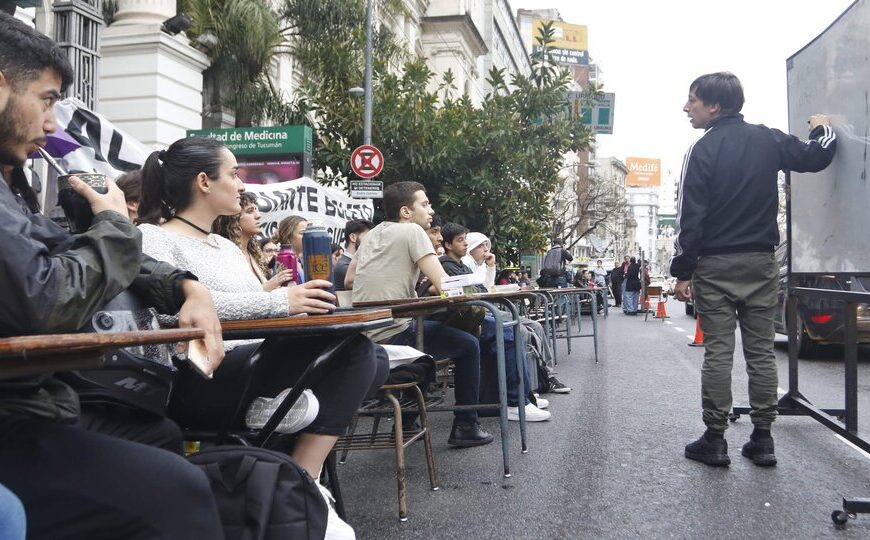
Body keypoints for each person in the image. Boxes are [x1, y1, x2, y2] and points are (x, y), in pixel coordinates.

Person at [0, 13, 225, 537]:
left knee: (160, 437)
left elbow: (59, 247)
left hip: (40, 396)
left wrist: (185, 285)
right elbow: (46, 299)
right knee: (176, 489)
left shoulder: (12, 190)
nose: (52, 125)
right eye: (47, 99)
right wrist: (112, 223)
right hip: (16, 410)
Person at [137, 135, 387, 538]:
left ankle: (294, 468)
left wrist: (296, 305)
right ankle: (304, 482)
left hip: (251, 361)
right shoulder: (153, 238)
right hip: (201, 375)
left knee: (372, 356)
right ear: (204, 181)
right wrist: (281, 303)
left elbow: (255, 304)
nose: (241, 184)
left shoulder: (225, 245)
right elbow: (171, 310)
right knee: (357, 352)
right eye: (234, 174)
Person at [671, 72, 836, 467]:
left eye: (692, 100)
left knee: (719, 354)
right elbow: (817, 155)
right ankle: (763, 440)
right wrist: (824, 127)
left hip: (715, 264)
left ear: (715, 106)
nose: (685, 107)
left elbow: (690, 218)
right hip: (761, 263)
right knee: (761, 353)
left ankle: (715, 439)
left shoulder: (702, 149)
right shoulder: (769, 139)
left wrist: (683, 270)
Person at [347, 182, 493, 447]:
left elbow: (349, 280)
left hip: (364, 336)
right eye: (424, 204)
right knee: (469, 344)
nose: (431, 210)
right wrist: (480, 288)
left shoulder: (371, 235)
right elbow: (446, 285)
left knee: (426, 335)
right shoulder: (412, 231)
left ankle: (407, 422)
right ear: (405, 211)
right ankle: (466, 426)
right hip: (393, 334)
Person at [439, 222, 550, 422]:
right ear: (447, 244)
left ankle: (525, 396)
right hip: (460, 320)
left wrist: (487, 272)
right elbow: (470, 292)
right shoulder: (446, 264)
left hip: (471, 316)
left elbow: (481, 289)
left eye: (466, 239)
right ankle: (516, 402)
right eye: (460, 240)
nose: (465, 244)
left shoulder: (460, 265)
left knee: (515, 329)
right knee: (508, 332)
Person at [213, 191, 292, 292]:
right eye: (250, 211)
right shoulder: (223, 254)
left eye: (256, 210)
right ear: (233, 218)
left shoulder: (255, 254)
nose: (258, 215)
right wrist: (269, 286)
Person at [333, 218, 373, 291]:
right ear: (353, 237)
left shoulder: (348, 262)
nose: (371, 241)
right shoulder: (344, 266)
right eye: (367, 237)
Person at [274, 214, 308, 281]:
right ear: (288, 236)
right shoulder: (283, 260)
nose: (308, 236)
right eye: (302, 233)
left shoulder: (302, 261)